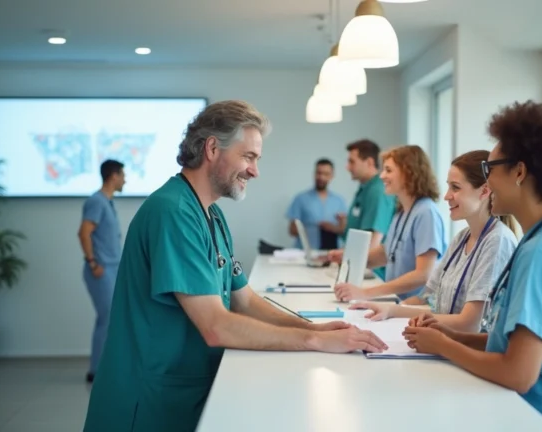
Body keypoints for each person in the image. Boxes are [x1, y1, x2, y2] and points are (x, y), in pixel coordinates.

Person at [83, 100, 387, 432]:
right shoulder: (172, 212)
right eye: (248, 157)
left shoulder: (211, 213)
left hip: (184, 389)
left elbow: (245, 300)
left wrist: (313, 329)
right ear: (212, 148)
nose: (255, 170)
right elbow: (216, 325)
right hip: (147, 401)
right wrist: (311, 341)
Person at [402, 101, 542, 431]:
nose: (487, 184)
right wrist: (450, 335)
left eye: (490, 170)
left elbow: (519, 372)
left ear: (519, 172)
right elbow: (511, 344)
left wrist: (443, 346)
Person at [350, 150, 518, 332]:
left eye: (456, 187)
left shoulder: (498, 240)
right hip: (444, 341)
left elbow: (470, 323)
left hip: (463, 349)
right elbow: (428, 298)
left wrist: (393, 309)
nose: (446, 196)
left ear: (485, 191)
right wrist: (391, 309)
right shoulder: (461, 238)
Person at [330, 145, 447, 302]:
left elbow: (423, 274)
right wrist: (348, 257)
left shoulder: (426, 213)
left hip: (416, 309)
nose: (382, 176)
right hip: (399, 303)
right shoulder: (402, 211)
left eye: (389, 170)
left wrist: (367, 293)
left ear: (409, 173)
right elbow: (387, 253)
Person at [77, 159, 125, 383]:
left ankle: (103, 367)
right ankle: (95, 371)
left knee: (110, 319)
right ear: (113, 176)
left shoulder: (108, 203)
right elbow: (84, 232)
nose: (125, 179)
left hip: (112, 269)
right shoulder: (96, 201)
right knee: (106, 319)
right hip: (101, 270)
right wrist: (93, 262)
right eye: (123, 174)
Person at [342, 139, 396, 278]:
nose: (347, 167)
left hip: (372, 272)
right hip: (359, 265)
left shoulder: (378, 191)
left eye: (352, 162)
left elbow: (375, 238)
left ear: (370, 162)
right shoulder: (365, 188)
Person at [286, 158, 348, 250]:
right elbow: (292, 231)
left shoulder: (339, 201)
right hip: (305, 253)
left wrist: (332, 228)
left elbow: (344, 230)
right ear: (314, 174)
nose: (321, 177)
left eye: (326, 174)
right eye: (319, 173)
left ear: (332, 176)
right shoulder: (300, 199)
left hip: (332, 253)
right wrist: (312, 229)